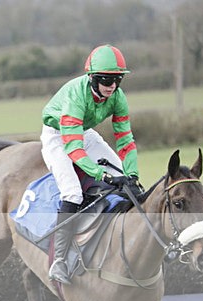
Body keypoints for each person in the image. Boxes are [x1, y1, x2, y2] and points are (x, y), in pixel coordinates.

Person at [40, 44, 139, 285]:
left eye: (117, 80)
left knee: (126, 180)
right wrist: (102, 176)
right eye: (106, 79)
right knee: (72, 192)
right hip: (57, 135)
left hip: (83, 132)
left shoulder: (118, 97)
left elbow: (125, 140)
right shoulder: (76, 95)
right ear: (92, 78)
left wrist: (132, 173)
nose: (112, 86)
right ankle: (59, 260)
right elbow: (73, 149)